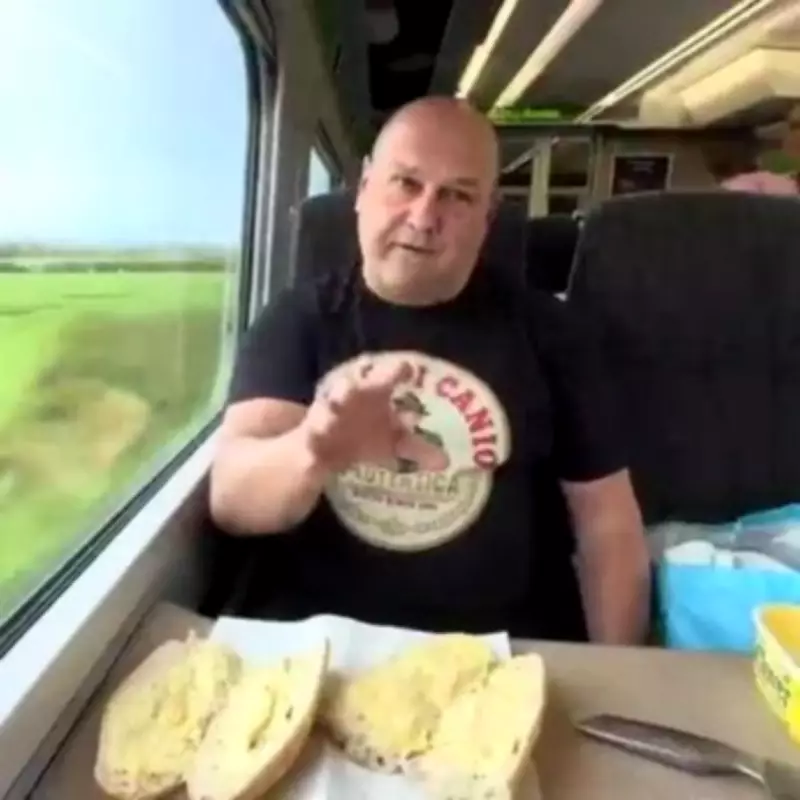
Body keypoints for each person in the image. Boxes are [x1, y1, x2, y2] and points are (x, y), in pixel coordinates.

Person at [210, 96, 650, 644]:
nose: (423, 217)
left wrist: (619, 674)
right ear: (365, 187)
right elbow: (232, 500)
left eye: (457, 196)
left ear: (488, 217)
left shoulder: (554, 333)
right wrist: (314, 450)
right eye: (406, 183)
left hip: (503, 650)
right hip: (325, 646)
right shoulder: (298, 320)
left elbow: (607, 526)